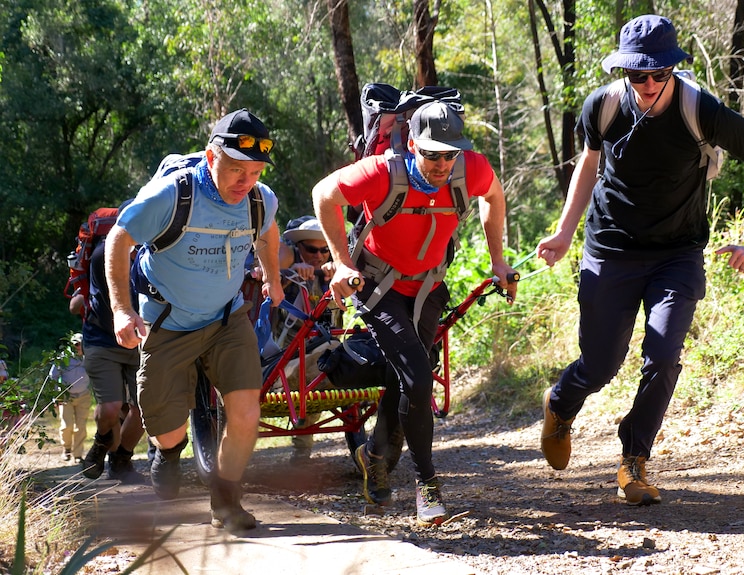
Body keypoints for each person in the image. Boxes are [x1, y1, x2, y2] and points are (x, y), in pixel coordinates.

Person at [536, 14, 744, 505]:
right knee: (601, 365)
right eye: (638, 75)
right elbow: (589, 164)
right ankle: (561, 402)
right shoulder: (603, 106)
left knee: (663, 356)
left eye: (659, 73)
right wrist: (565, 232)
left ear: (673, 69)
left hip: (677, 253)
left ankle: (634, 460)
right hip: (610, 249)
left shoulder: (703, 111)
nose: (649, 84)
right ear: (625, 73)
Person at [312, 100, 517, 526]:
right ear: (413, 145)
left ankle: (373, 458)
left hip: (428, 287)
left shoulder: (470, 169)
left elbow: (494, 195)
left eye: (450, 153)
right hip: (378, 287)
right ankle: (427, 486)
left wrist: (498, 261)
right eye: (432, 153)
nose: (442, 163)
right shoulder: (384, 173)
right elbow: (324, 194)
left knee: (405, 381)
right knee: (419, 378)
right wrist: (342, 262)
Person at [105, 109, 284, 531]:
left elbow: (269, 232)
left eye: (254, 172)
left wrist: (273, 278)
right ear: (210, 157)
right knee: (164, 426)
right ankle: (169, 450)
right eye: (236, 170)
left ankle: (225, 503)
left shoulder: (261, 199)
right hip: (168, 321)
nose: (246, 182)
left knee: (245, 414)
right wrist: (120, 309)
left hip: (226, 318)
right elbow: (119, 238)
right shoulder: (172, 196)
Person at [79, 229, 146, 483]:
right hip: (102, 341)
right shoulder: (103, 254)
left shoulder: (149, 251)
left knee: (144, 409)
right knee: (110, 408)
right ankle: (101, 442)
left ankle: (121, 461)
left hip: (139, 342)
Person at [278, 216, 340, 462]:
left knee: (326, 359)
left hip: (322, 353)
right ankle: (302, 447)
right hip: (284, 358)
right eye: (312, 250)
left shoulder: (332, 273)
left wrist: (337, 277)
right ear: (298, 249)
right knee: (315, 366)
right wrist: (290, 273)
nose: (319, 256)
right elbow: (270, 284)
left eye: (325, 250)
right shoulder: (284, 274)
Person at [49, 333, 91, 463]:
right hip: (66, 397)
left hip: (84, 395)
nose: (78, 347)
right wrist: (56, 395)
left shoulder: (89, 358)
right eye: (75, 344)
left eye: (80, 344)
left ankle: (78, 455)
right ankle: (66, 449)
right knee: (66, 426)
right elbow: (53, 376)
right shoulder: (63, 358)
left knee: (81, 427)